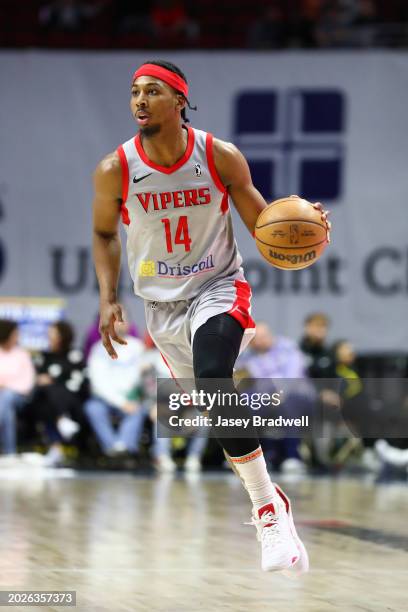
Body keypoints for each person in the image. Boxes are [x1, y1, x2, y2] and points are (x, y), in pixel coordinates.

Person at [92, 59, 330, 573]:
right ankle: (271, 498)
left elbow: (265, 226)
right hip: (161, 306)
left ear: (180, 101)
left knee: (215, 375)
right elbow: (105, 234)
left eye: (152, 91)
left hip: (218, 287)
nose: (139, 100)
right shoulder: (116, 168)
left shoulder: (218, 156)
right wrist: (109, 297)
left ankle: (267, 509)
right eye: (134, 91)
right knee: (216, 409)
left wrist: (300, 224)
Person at [237, 321, 315, 474]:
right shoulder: (247, 354)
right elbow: (241, 377)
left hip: (296, 395)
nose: (260, 341)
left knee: (287, 404)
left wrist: (278, 395)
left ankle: (293, 456)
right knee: (244, 406)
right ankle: (253, 457)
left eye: (263, 337)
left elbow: (293, 377)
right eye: (255, 339)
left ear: (270, 335)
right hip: (265, 398)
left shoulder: (287, 347)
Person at [27, 321, 88, 466]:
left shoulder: (75, 355)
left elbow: (79, 382)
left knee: (53, 389)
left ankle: (56, 444)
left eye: (53, 333)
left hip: (72, 399)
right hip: (46, 402)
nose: (49, 336)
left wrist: (54, 381)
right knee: (45, 399)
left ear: (63, 336)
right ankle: (60, 425)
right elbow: (35, 378)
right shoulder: (43, 356)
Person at [84, 317, 146, 456]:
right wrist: (121, 402)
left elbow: (139, 378)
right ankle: (113, 448)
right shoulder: (99, 349)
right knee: (92, 408)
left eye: (124, 319)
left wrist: (129, 399)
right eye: (117, 320)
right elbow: (98, 384)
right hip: (105, 400)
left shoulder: (137, 347)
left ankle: (123, 447)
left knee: (137, 409)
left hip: (129, 397)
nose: (121, 323)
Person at [0, 320, 35, 459]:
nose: (17, 337)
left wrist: (5, 386)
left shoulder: (21, 355)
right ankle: (9, 453)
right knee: (6, 411)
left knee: (6, 397)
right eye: (15, 334)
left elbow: (27, 382)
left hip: (19, 397)